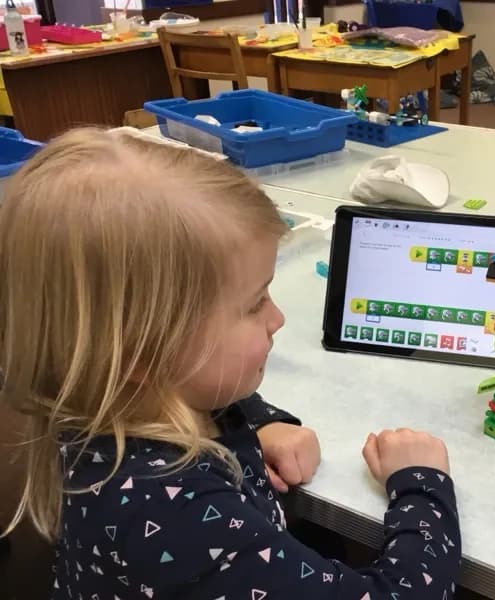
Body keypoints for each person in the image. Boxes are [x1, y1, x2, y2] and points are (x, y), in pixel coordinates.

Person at [0, 128, 461, 599]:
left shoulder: (107, 392)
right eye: (255, 303)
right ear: (142, 350)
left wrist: (260, 423)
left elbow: (200, 383)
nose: (277, 318)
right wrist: (422, 484)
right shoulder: (169, 510)